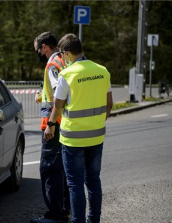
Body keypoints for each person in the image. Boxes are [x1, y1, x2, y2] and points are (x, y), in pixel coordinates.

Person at [44, 33, 113, 223]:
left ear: (66, 53)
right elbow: (109, 104)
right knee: (93, 181)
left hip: (73, 139)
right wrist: (96, 123)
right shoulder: (102, 71)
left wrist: (50, 125)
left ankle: (78, 221)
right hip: (97, 137)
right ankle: (94, 220)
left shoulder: (67, 74)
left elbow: (58, 106)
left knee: (75, 184)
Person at [31, 31, 70, 223]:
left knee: (49, 169)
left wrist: (51, 125)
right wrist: (42, 94)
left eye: (37, 49)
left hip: (53, 126)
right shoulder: (65, 60)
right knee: (62, 169)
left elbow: (58, 95)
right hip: (66, 124)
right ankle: (65, 210)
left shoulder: (52, 65)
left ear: (44, 47)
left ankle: (54, 216)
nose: (38, 53)